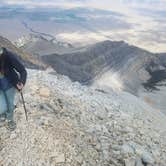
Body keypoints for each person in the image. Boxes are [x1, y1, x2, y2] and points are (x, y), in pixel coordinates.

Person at [0, 47, 27, 131]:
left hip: (9, 84)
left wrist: (21, 82)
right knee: (2, 107)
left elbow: (23, 70)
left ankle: (10, 120)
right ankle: (3, 114)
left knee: (9, 103)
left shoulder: (8, 55)